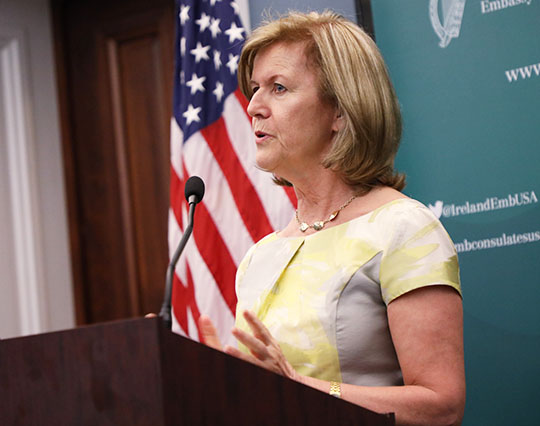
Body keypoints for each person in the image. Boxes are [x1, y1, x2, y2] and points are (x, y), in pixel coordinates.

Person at [199, 10, 465, 426]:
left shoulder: (403, 229)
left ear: (340, 110)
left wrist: (296, 387)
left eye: (279, 88)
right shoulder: (260, 257)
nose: (253, 107)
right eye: (254, 90)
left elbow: (441, 406)